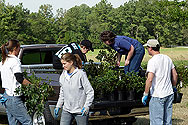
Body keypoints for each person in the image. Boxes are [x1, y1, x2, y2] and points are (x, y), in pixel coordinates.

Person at [141, 39, 178, 125]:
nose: (147, 50)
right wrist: (173, 87)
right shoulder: (167, 58)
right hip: (169, 94)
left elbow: (150, 79)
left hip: (157, 95)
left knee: (156, 122)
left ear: (150, 48)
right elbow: (175, 75)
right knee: (167, 122)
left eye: (147, 48)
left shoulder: (152, 61)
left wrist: (145, 94)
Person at [54, 53, 94, 125]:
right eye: (62, 64)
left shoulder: (80, 74)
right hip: (67, 110)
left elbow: (90, 92)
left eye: (64, 64)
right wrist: (58, 106)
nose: (63, 66)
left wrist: (86, 107)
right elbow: (62, 93)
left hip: (80, 111)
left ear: (71, 62)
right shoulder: (63, 75)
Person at [0, 40, 32, 125]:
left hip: (6, 96)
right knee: (27, 121)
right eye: (19, 48)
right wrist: (33, 86)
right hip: (14, 97)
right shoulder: (15, 61)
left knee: (13, 123)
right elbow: (19, 78)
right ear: (15, 48)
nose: (19, 50)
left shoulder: (4, 61)